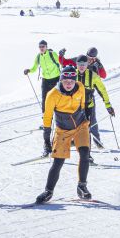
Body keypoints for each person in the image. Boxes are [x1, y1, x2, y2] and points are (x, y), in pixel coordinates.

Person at [36, 66, 92, 203]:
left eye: (71, 81)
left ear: (75, 81)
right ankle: (48, 191)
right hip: (62, 130)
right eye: (65, 80)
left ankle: (82, 187)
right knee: (58, 162)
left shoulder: (80, 87)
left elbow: (83, 105)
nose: (68, 84)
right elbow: (47, 117)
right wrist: (46, 139)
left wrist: (87, 115)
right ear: (61, 80)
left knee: (85, 154)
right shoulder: (52, 95)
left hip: (80, 126)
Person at [75, 55, 115, 155]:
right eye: (79, 64)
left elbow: (102, 90)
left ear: (87, 64)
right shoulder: (72, 75)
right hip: (75, 106)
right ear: (76, 65)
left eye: (83, 64)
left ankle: (88, 154)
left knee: (89, 127)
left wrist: (108, 105)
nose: (81, 67)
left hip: (89, 105)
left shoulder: (93, 76)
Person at [24, 40, 61, 113]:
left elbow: (61, 62)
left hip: (56, 78)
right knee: (45, 98)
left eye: (43, 46)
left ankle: (59, 114)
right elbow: (34, 68)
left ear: (46, 47)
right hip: (45, 80)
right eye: (40, 47)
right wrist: (29, 70)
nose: (41, 48)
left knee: (57, 97)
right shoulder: (38, 57)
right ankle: (45, 117)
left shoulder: (52, 54)